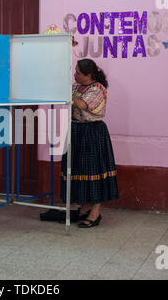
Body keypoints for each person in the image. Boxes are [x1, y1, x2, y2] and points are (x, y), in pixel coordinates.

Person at [60, 59, 119, 228]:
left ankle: (95, 212)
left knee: (94, 171)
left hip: (92, 132)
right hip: (76, 130)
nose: (74, 75)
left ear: (88, 75)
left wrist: (63, 92)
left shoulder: (97, 88)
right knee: (78, 169)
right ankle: (85, 207)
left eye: (78, 72)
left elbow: (81, 104)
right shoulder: (76, 87)